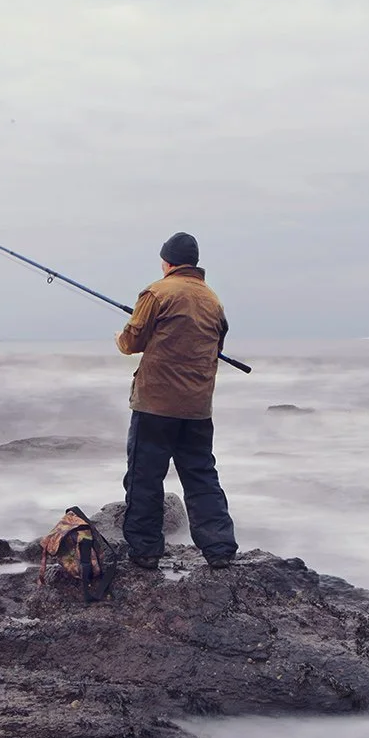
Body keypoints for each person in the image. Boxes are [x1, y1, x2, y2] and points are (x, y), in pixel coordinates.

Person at [114, 232, 238, 569]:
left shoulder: (157, 292)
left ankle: (145, 550)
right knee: (201, 475)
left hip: (155, 404)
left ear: (167, 262)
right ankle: (219, 548)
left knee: (145, 476)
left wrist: (120, 337)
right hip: (197, 407)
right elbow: (216, 346)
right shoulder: (213, 300)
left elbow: (132, 341)